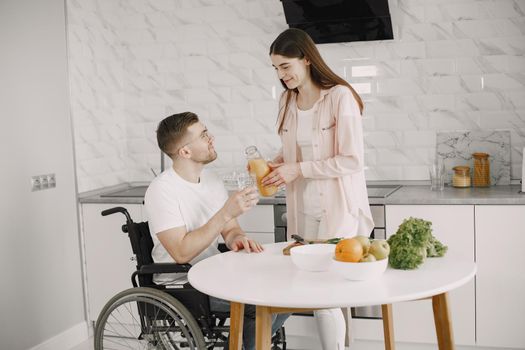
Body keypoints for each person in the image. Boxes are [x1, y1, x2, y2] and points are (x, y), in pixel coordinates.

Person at [262, 28, 375, 350]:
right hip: (302, 208)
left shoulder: (340, 96)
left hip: (338, 208)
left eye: (286, 66)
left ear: (307, 59)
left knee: (325, 293)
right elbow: (295, 151)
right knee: (315, 289)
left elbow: (352, 159)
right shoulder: (288, 100)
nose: (282, 75)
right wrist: (276, 164)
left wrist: (296, 169)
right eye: (276, 69)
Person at [144, 112, 288, 350]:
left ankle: (247, 344)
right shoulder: (162, 190)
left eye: (207, 132)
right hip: (182, 283)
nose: (211, 138)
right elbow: (181, 253)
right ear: (185, 152)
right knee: (260, 304)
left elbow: (230, 229)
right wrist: (226, 213)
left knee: (283, 294)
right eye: (203, 135)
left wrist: (238, 239)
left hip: (212, 274)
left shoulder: (211, 181)